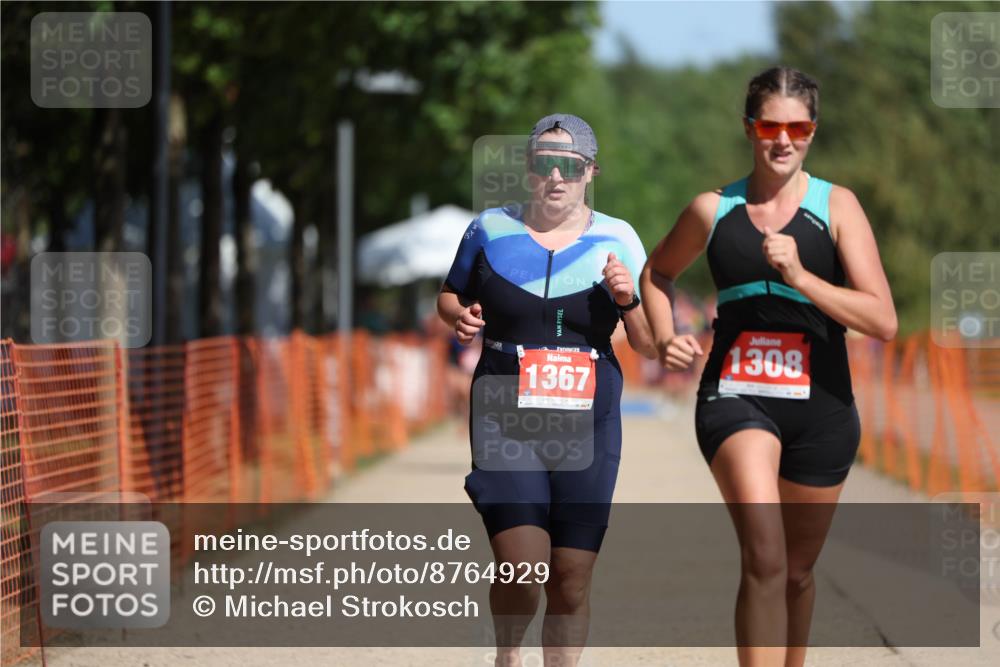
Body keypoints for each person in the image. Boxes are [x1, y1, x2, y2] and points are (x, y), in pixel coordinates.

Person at [639, 67, 896, 667]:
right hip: (735, 396)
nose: (783, 140)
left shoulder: (837, 207)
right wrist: (664, 332)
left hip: (823, 407)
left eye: (798, 126)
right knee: (766, 557)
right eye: (770, 125)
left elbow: (882, 320)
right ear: (750, 127)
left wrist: (804, 277)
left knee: (797, 575)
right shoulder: (713, 209)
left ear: (813, 130)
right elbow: (657, 272)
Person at [437, 113, 656, 667]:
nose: (556, 177)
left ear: (590, 172)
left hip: (589, 415)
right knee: (522, 566)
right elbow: (449, 295)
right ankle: (508, 653)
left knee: (572, 576)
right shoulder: (489, 227)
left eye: (570, 166)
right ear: (528, 169)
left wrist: (628, 300)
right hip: (504, 409)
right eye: (544, 164)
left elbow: (651, 343)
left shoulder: (620, 237)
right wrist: (460, 318)